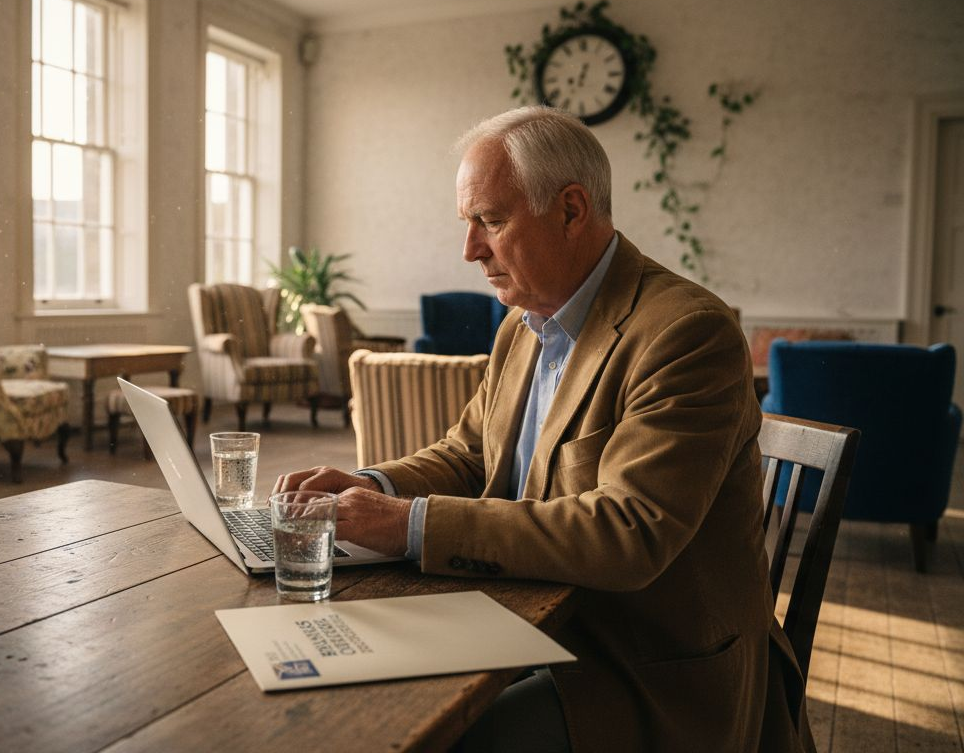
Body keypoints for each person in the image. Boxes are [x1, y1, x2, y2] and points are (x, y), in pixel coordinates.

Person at [273, 106, 814, 753]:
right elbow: (469, 452)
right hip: (527, 615)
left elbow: (629, 531)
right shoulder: (521, 323)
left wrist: (402, 523)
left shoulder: (686, 333)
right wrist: (366, 485)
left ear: (571, 210)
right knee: (350, 699)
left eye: (491, 221)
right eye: (468, 223)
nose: (469, 249)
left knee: (448, 734)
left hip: (646, 669)